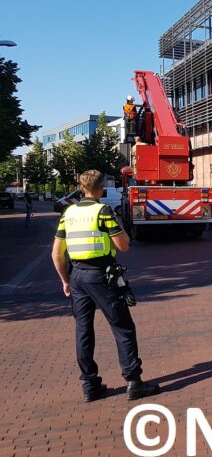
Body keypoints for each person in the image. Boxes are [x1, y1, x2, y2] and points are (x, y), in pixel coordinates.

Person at [51, 170, 159, 402]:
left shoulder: (68, 213)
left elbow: (56, 254)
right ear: (101, 188)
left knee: (83, 330)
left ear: (80, 188)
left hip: (77, 276)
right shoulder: (103, 211)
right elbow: (123, 246)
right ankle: (133, 381)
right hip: (101, 276)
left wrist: (65, 281)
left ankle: (90, 385)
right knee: (122, 326)